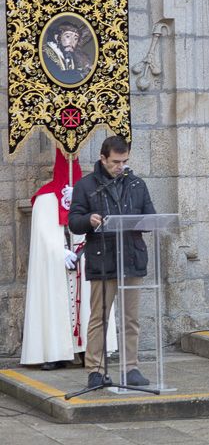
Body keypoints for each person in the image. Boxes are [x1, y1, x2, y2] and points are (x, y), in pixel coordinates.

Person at [68, 135, 156, 389]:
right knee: (99, 317)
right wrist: (89, 220)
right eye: (116, 162)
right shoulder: (86, 186)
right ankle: (95, 370)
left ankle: (131, 368)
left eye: (124, 161)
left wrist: (143, 221)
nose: (121, 167)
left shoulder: (137, 184)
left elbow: (150, 217)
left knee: (131, 318)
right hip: (103, 258)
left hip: (131, 256)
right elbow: (74, 220)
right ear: (103, 158)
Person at [20, 148, 116, 370]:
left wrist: (81, 247)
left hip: (84, 256)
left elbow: (94, 221)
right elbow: (43, 235)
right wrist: (59, 251)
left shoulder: (90, 192)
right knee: (54, 301)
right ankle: (55, 352)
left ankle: (87, 350)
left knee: (89, 303)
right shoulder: (45, 198)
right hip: (57, 262)